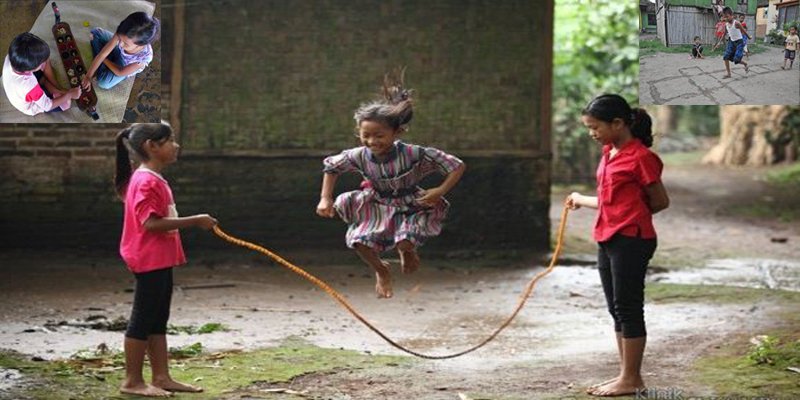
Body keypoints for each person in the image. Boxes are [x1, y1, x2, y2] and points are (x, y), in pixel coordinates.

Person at [316, 71, 466, 299]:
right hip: (377, 202)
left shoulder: (415, 153)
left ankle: (407, 251)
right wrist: (325, 198)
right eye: (366, 135)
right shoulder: (358, 155)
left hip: (411, 203)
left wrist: (440, 190)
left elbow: (456, 165)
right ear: (359, 133)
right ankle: (381, 270)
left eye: (379, 135)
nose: (372, 141)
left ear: (397, 132)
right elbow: (331, 167)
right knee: (359, 243)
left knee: (405, 241)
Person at [566, 95, 669, 397]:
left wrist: (630, 215)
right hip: (607, 236)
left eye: (594, 127)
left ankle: (632, 378)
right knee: (616, 309)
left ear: (618, 123)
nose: (592, 133)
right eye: (588, 127)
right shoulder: (608, 152)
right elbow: (611, 199)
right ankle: (626, 375)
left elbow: (660, 201)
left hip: (632, 239)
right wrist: (581, 199)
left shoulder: (641, 157)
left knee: (628, 308)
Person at [115, 123, 217, 397]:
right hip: (148, 257)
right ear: (151, 146)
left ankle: (161, 376)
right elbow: (150, 224)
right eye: (170, 140)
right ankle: (132, 381)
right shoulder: (146, 180)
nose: (176, 145)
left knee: (158, 319)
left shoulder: (153, 178)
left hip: (160, 258)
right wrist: (196, 220)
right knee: (142, 318)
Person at [2, 32, 81, 115]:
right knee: (67, 103)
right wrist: (69, 95)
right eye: (40, 64)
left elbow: (43, 61)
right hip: (32, 103)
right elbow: (47, 106)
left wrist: (59, 89)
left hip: (24, 85)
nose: (43, 64)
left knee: (45, 60)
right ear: (30, 69)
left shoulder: (12, 57)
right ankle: (46, 84)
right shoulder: (29, 85)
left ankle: (51, 85)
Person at [83, 12, 158, 90]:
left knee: (103, 83)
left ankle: (106, 58)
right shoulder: (123, 32)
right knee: (95, 33)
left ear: (140, 45)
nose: (120, 44)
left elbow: (120, 72)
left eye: (125, 43)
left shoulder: (143, 59)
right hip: (117, 52)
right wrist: (88, 76)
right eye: (119, 38)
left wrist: (103, 58)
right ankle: (106, 58)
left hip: (123, 65)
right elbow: (104, 53)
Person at [721, 7, 749, 78]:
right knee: (726, 57)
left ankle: (745, 64)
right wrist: (720, 41)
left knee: (736, 60)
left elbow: (744, 31)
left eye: (727, 17)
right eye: (724, 17)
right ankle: (728, 73)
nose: (726, 19)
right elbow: (724, 33)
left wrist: (749, 37)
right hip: (731, 42)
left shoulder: (736, 23)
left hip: (739, 42)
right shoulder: (726, 24)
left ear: (732, 15)